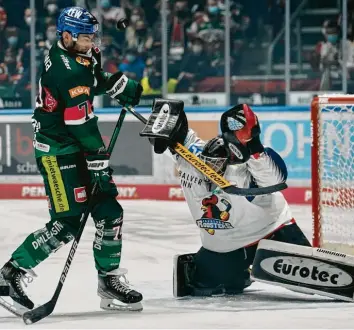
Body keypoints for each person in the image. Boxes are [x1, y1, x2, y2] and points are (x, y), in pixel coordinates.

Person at [0, 6, 143, 313]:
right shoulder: (67, 71)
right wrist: (97, 156)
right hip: (58, 151)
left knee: (109, 211)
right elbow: (79, 120)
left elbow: (92, 77)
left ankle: (108, 280)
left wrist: (117, 83)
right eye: (86, 37)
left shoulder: (76, 55)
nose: (92, 41)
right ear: (66, 35)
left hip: (76, 145)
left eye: (94, 35)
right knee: (67, 222)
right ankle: (10, 273)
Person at [142, 101, 311, 297]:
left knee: (306, 280)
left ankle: (243, 270)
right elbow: (180, 134)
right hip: (225, 246)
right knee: (198, 286)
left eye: (221, 163)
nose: (215, 168)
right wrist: (166, 122)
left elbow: (276, 179)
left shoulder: (249, 164)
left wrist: (252, 144)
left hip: (271, 230)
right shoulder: (191, 159)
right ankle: (239, 274)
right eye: (212, 164)